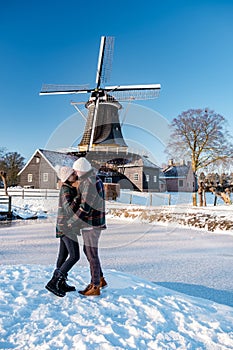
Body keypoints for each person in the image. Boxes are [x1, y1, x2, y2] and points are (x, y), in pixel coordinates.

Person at [67, 157, 107, 296]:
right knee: (89, 251)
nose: (75, 173)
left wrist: (72, 221)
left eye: (76, 171)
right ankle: (100, 279)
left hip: (91, 223)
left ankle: (95, 286)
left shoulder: (89, 182)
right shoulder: (95, 179)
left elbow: (85, 207)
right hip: (95, 222)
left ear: (81, 170)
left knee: (91, 253)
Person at [45, 166, 81, 297]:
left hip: (63, 225)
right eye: (73, 174)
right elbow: (69, 208)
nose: (75, 175)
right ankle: (54, 282)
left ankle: (60, 283)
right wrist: (80, 197)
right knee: (74, 256)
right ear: (67, 177)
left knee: (62, 256)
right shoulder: (66, 189)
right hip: (67, 226)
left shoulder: (68, 188)